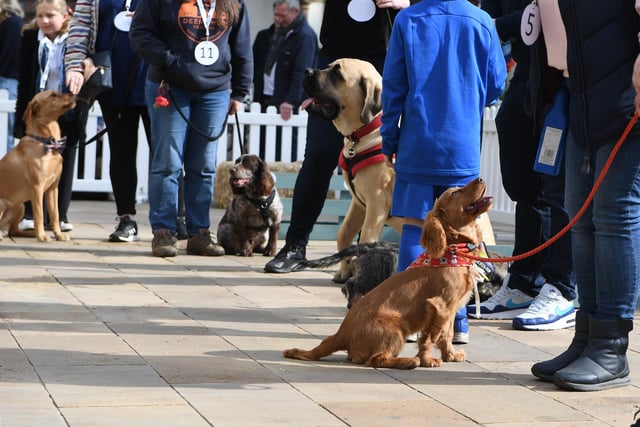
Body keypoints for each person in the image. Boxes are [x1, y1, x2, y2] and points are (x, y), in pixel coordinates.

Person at [528, 0, 640, 391]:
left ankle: (611, 347)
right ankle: (587, 338)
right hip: (585, 100)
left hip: (627, 99)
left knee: (614, 216)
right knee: (580, 215)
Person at [380, 0, 506, 344]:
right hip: (462, 143)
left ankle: (411, 318)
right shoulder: (482, 20)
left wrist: (389, 137)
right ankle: (458, 321)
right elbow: (496, 83)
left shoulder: (408, 19)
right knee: (463, 232)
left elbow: (393, 86)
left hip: (418, 141)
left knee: (414, 227)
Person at [264, 0, 415, 274]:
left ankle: (361, 259)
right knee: (318, 158)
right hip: (333, 65)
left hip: (379, 67)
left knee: (376, 168)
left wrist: (407, 2)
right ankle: (295, 246)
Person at [468, 0, 577, 332]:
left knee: (558, 188)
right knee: (524, 185)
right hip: (527, 75)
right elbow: (496, 22)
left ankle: (561, 287)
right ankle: (524, 283)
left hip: (567, 77)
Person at [129, 0, 253, 257]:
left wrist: (240, 92)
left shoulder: (234, 3)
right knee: (167, 163)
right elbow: (140, 33)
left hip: (215, 91)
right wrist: (169, 59)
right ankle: (163, 231)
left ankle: (199, 233)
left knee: (204, 166)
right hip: (169, 85)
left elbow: (241, 46)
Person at [65, 0, 150, 243]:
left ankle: (173, 220)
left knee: (166, 155)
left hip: (155, 79)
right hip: (112, 77)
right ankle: (126, 218)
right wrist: (75, 66)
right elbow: (80, 28)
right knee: (121, 151)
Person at [13, 0, 88, 233]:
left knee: (62, 165)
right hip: (38, 113)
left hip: (66, 109)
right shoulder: (29, 39)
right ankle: (28, 214)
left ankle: (60, 216)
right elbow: (24, 81)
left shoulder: (76, 40)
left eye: (50, 16)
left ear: (65, 15)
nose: (44, 21)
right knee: (31, 164)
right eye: (40, 16)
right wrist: (22, 118)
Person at [252, 0, 317, 159]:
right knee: (263, 147)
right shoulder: (267, 35)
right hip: (265, 99)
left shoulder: (305, 36)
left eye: (283, 15)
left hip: (287, 104)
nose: (278, 19)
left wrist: (291, 100)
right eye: (276, 14)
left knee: (285, 149)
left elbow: (302, 72)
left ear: (296, 12)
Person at [0, 0, 23, 151]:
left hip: (7, 82)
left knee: (5, 133)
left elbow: (6, 56)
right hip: (7, 81)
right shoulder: (11, 22)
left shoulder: (11, 22)